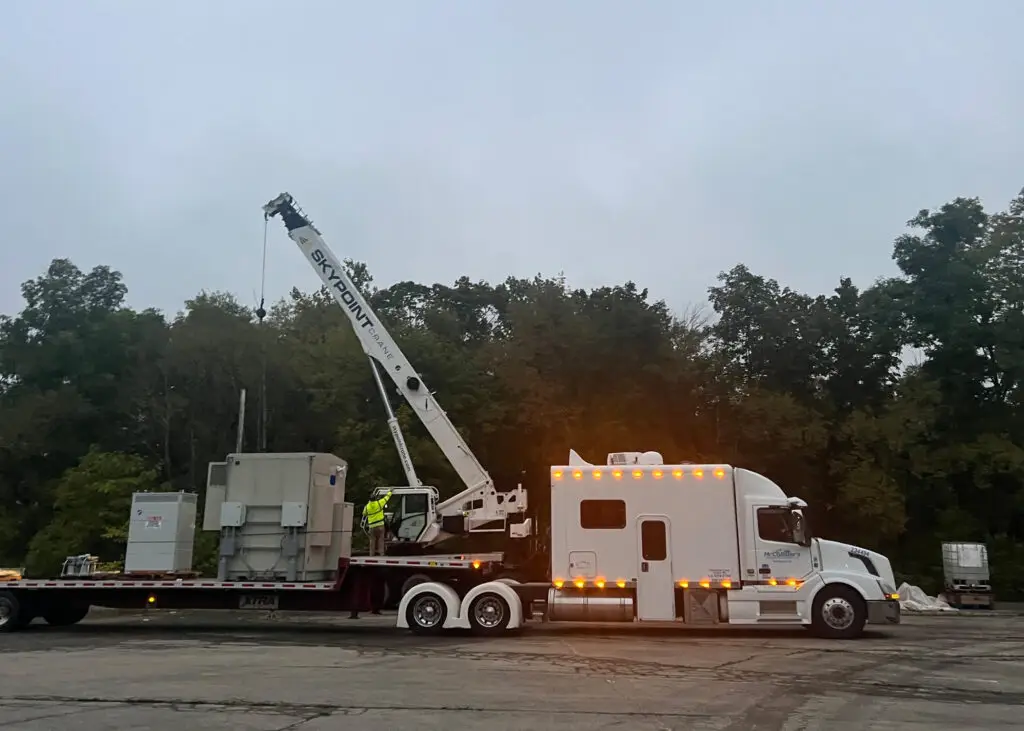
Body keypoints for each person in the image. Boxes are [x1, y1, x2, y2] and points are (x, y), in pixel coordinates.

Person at [362, 490, 392, 557]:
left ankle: (371, 555)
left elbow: (364, 513)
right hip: (380, 525)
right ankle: (381, 554)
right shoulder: (379, 503)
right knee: (381, 539)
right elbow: (386, 498)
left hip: (372, 526)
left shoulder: (367, 507)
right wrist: (390, 491)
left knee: (372, 541)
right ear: (375, 498)